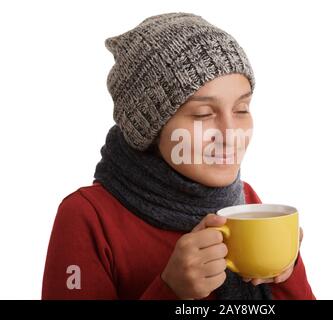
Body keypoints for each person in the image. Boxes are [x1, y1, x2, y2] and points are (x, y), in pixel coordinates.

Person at [42, 12, 315, 300]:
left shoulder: (245, 201)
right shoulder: (88, 216)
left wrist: (287, 269)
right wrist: (170, 290)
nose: (230, 132)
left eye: (242, 109)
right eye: (203, 114)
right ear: (150, 127)